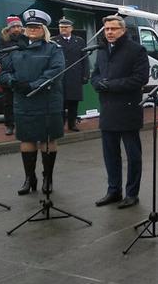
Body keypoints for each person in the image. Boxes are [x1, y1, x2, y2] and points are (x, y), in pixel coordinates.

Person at [0, 9, 64, 195]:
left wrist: (33, 85)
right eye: (29, 26)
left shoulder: (53, 49)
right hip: (23, 101)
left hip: (47, 102)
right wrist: (14, 83)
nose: (32, 29)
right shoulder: (15, 49)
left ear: (44, 29)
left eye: (36, 27)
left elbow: (56, 72)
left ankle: (47, 178)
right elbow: (4, 73)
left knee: (47, 140)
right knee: (26, 139)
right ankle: (30, 178)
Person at [92, 15, 149, 209]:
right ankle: (113, 190)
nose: (109, 32)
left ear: (123, 30)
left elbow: (140, 78)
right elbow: (95, 74)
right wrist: (97, 83)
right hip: (107, 109)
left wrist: (112, 85)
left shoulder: (136, 50)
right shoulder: (101, 50)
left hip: (128, 110)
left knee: (133, 155)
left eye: (113, 29)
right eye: (106, 29)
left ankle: (132, 193)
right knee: (110, 155)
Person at [52, 17, 90, 132]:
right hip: (60, 77)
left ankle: (72, 124)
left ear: (71, 28)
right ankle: (60, 124)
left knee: (74, 102)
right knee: (60, 103)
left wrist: (85, 75)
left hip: (75, 76)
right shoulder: (54, 41)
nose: (63, 29)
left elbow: (84, 59)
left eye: (65, 27)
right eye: (61, 27)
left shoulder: (79, 41)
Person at [0, 15, 24, 135]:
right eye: (14, 27)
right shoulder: (3, 41)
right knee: (8, 103)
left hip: (23, 75)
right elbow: (3, 59)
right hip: (8, 75)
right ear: (9, 29)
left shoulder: (26, 40)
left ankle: (22, 124)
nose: (16, 29)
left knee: (22, 102)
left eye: (18, 26)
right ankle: (9, 125)